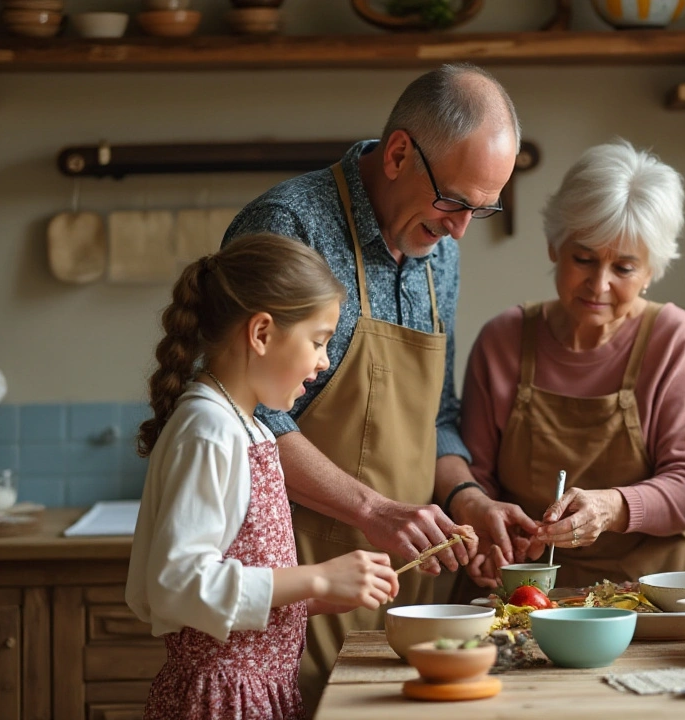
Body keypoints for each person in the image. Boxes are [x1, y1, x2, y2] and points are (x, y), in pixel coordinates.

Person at [221, 63, 517, 706]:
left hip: (408, 594)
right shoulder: (289, 225)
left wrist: (468, 500)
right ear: (401, 153)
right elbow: (243, 418)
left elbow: (436, 412)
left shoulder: (441, 249)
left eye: (482, 210)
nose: (461, 229)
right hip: (295, 583)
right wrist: (373, 510)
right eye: (455, 202)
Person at [126, 233, 400, 719]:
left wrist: (310, 599)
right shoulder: (210, 429)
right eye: (318, 341)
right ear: (262, 333)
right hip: (222, 701)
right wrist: (315, 578)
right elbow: (178, 584)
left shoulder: (245, 425)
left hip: (256, 696)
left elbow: (227, 595)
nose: (324, 361)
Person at [450, 139, 685, 593]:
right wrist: (487, 541)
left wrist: (612, 507)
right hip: (524, 595)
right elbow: (476, 480)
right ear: (555, 246)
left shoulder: (674, 339)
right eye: (584, 259)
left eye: (625, 268)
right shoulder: (504, 339)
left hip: (648, 598)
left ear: (652, 270)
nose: (599, 284)